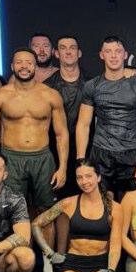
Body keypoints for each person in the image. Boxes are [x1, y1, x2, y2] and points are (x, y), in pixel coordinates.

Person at [0, 49, 68, 272]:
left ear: (35, 66)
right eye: (19, 62)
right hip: (11, 158)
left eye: (28, 62)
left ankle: (48, 265)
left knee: (46, 212)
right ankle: (14, 263)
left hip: (42, 158)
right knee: (9, 212)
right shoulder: (0, 96)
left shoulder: (50, 95)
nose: (24, 66)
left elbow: (61, 134)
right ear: (12, 66)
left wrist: (62, 167)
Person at [30, 158, 122, 272]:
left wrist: (111, 269)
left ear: (98, 177)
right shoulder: (69, 203)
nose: (84, 181)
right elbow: (36, 224)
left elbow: (116, 244)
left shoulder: (114, 208)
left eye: (89, 176)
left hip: (100, 266)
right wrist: (49, 252)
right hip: (73, 265)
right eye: (79, 177)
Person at [76, 36, 136, 198]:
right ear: (102, 55)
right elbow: (84, 124)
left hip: (131, 154)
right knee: (103, 204)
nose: (113, 56)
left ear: (125, 55)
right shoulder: (92, 86)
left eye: (118, 51)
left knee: (131, 204)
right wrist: (80, 159)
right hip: (101, 154)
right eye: (108, 51)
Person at [45, 35, 88, 197]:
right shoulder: (47, 87)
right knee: (59, 200)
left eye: (72, 48)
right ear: (56, 53)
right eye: (63, 48)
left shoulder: (92, 84)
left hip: (86, 150)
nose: (68, 52)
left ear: (79, 53)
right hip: (55, 151)